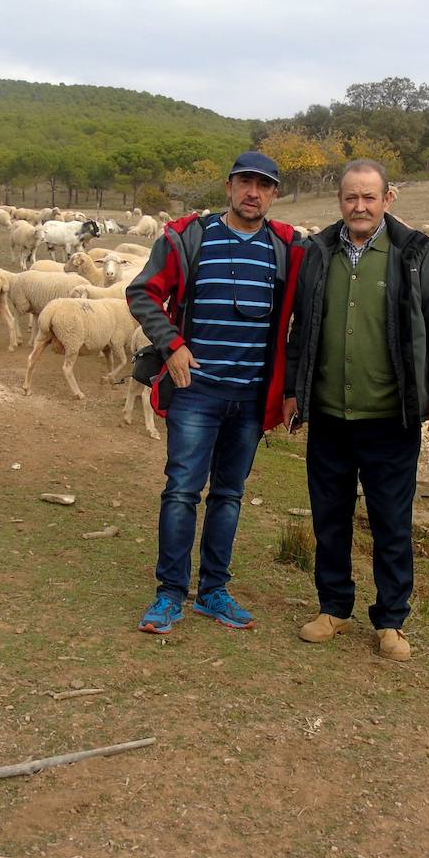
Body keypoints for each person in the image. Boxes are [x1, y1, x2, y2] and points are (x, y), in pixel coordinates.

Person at [282, 158, 429, 661]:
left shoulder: (415, 252)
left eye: (369, 197)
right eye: (350, 197)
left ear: (388, 199)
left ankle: (391, 621)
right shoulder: (317, 252)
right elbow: (301, 326)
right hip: (330, 415)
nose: (359, 206)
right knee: (331, 517)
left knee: (390, 520)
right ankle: (333, 607)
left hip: (391, 416)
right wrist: (295, 390)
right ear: (339, 201)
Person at [126, 152, 306, 635]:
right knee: (182, 490)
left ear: (274, 194)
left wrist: (290, 390)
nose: (254, 193)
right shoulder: (191, 236)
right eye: (245, 183)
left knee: (229, 494)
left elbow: (297, 326)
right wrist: (172, 344)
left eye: (264, 186)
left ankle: (213, 591)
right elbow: (142, 292)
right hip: (195, 392)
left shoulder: (286, 248)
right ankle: (169, 594)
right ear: (229, 187)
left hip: (250, 397)